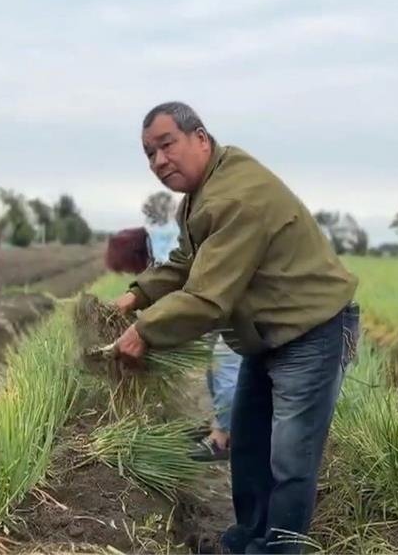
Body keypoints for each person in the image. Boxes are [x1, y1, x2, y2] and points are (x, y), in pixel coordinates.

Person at [113, 102, 360, 554]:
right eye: (149, 154)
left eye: (166, 145)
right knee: (247, 445)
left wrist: (143, 331)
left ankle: (278, 549)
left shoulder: (235, 195)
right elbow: (188, 264)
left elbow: (207, 298)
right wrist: (135, 296)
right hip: (264, 334)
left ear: (200, 138)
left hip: (310, 332)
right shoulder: (201, 197)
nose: (158, 161)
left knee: (290, 458)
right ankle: (249, 536)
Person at [143, 196, 240, 463]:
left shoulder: (231, 233)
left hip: (236, 309)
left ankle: (224, 438)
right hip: (220, 305)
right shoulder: (186, 236)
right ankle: (221, 424)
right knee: (215, 367)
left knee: (226, 367)